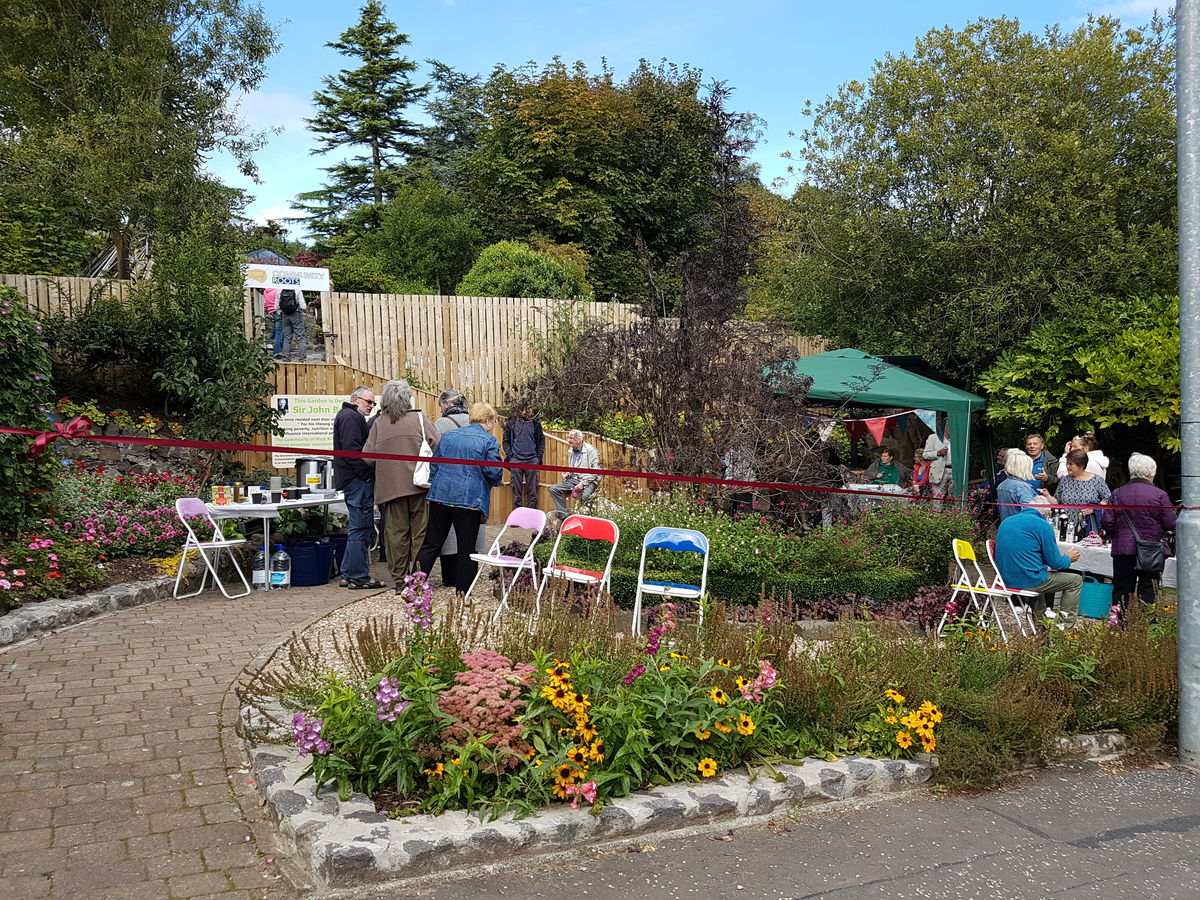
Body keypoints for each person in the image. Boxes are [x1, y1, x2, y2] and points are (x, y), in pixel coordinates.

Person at [417, 402, 504, 594]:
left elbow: (435, 465)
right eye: (494, 422)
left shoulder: (448, 436)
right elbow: (493, 471)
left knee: (431, 543)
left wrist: (436, 484)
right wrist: (497, 480)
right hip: (469, 500)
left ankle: (414, 586)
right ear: (488, 421)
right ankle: (463, 592)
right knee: (467, 547)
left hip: (440, 496)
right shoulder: (488, 441)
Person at [363, 380, 439, 590]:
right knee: (420, 534)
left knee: (396, 534)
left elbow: (367, 457)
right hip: (419, 486)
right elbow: (437, 445)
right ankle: (416, 576)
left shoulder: (379, 423)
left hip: (390, 489)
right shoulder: (419, 419)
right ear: (407, 398)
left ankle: (399, 579)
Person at [1102, 453, 1177, 610]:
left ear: (1131, 471)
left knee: (1122, 590)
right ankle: (1145, 626)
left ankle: (1120, 626)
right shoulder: (1160, 495)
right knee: (1148, 591)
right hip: (1151, 550)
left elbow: (1107, 522)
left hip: (1123, 550)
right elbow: (1171, 523)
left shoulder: (1117, 493)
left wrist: (1116, 535)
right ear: (1152, 473)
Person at [994, 496, 1083, 617]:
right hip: (1028, 580)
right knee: (1075, 580)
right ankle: (1065, 626)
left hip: (1004, 579)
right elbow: (1056, 563)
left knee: (1040, 575)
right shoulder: (1042, 525)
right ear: (1046, 514)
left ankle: (1041, 628)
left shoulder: (1007, 521)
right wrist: (1068, 558)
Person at [431, 388, 483, 586]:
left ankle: (449, 578)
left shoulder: (442, 424)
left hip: (447, 488)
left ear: (446, 405)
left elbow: (434, 453)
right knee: (469, 539)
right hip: (473, 490)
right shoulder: (475, 421)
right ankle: (467, 583)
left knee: (445, 537)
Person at [333, 385, 383, 589]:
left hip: (353, 480)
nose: (371, 405)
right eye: (368, 401)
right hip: (357, 481)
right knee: (361, 529)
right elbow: (352, 452)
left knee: (356, 528)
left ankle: (347, 574)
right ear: (355, 400)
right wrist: (367, 475)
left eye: (373, 402)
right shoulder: (351, 418)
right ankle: (359, 577)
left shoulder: (349, 417)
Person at [1055, 448, 1111, 537]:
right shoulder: (1064, 480)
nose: (1067, 466)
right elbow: (1057, 501)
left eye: (1070, 464)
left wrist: (1095, 508)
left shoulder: (1097, 480)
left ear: (1081, 465)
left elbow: (1108, 499)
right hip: (1066, 528)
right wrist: (1046, 495)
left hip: (1088, 528)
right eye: (1067, 463)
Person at [503, 401, 545, 509]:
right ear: (520, 410)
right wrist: (510, 456)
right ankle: (517, 515)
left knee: (532, 491)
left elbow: (541, 441)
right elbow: (506, 441)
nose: (528, 412)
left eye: (530, 409)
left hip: (532, 460)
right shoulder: (512, 423)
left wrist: (538, 457)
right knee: (516, 490)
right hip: (516, 459)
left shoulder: (536, 424)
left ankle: (531, 515)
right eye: (526, 409)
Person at [549, 429, 602, 514]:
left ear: (579, 440)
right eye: (568, 438)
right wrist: (568, 474)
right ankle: (565, 515)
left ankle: (587, 518)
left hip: (589, 480)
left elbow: (595, 471)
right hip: (574, 479)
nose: (568, 440)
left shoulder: (590, 450)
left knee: (586, 496)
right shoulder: (571, 450)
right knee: (553, 489)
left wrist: (583, 483)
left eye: (571, 438)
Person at [997, 449, 1039, 521]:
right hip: (1021, 528)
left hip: (1006, 525)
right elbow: (1030, 513)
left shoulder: (1002, 485)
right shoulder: (1022, 487)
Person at [920, 416, 952, 509]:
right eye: (950, 426)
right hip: (939, 471)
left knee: (954, 498)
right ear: (946, 427)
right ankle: (936, 519)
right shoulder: (933, 437)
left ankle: (953, 519)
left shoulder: (958, 440)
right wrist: (937, 453)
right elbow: (925, 455)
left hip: (954, 470)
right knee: (938, 498)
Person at [277, 288, 308, 362]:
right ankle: (302, 358)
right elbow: (303, 306)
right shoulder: (297, 290)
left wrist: (280, 311)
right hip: (296, 315)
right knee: (300, 337)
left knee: (287, 338)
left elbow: (276, 306)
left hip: (285, 315)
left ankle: (286, 358)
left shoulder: (279, 290)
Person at [263, 288, 284, 357]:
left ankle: (270, 341)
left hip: (270, 312)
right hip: (278, 312)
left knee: (275, 328)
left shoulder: (265, 291)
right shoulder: (277, 290)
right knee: (279, 332)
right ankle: (277, 353)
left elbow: (265, 304)